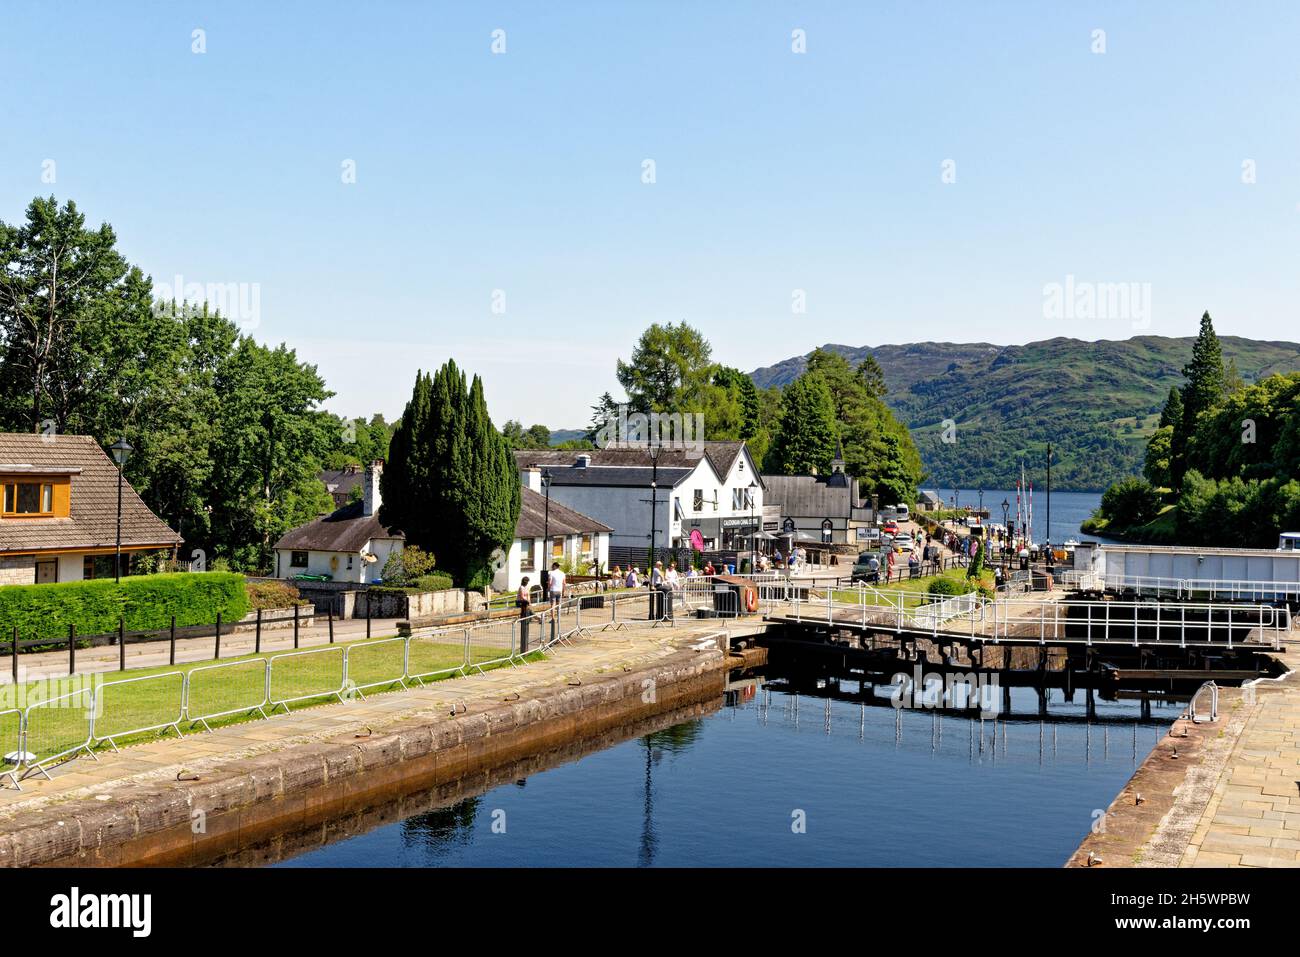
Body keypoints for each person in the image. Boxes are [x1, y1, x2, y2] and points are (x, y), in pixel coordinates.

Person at [516, 576, 533, 652]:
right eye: (526, 581)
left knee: (528, 606)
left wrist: (530, 602)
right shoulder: (521, 587)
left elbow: (528, 595)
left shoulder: (526, 587)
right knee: (526, 604)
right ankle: (533, 617)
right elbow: (522, 596)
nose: (527, 583)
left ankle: (530, 616)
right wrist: (527, 601)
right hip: (520, 601)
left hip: (525, 602)